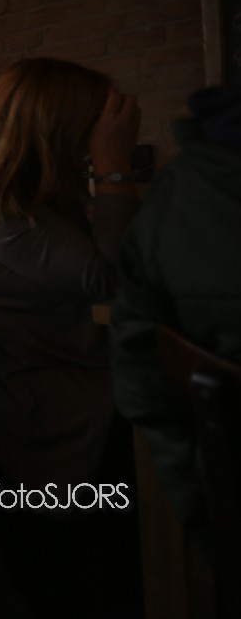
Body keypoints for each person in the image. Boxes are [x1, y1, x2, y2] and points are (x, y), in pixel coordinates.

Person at [0, 56, 142, 615]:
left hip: (46, 379)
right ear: (57, 128)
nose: (96, 138)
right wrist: (114, 168)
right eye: (92, 125)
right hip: (35, 402)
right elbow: (109, 279)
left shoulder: (14, 196)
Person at [110, 83, 241, 540]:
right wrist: (111, 168)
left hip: (222, 507)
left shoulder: (183, 188)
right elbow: (100, 277)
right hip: (48, 404)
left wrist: (201, 516)